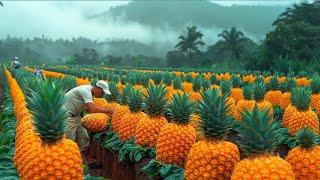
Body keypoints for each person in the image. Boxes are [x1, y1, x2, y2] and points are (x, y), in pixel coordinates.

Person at [64, 80, 113, 165]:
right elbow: (92, 109)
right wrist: (109, 110)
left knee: (84, 137)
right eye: (102, 92)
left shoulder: (90, 94)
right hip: (67, 116)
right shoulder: (85, 90)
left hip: (76, 116)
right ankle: (67, 162)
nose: (103, 95)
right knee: (69, 140)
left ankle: (87, 159)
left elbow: (88, 109)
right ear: (97, 88)